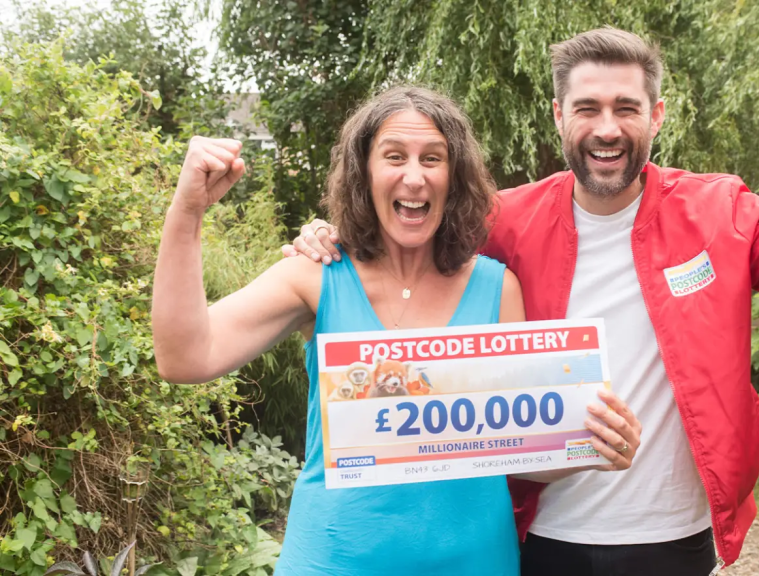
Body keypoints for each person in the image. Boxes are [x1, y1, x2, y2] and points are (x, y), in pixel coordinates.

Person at [283, 27, 759, 576]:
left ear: (656, 116)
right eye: (588, 108)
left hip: (674, 534)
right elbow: (405, 237)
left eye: (626, 108)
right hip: (541, 532)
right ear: (559, 116)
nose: (608, 128)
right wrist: (334, 239)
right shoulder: (502, 220)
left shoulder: (721, 213)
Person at [151, 86, 642, 576]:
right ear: (365, 172)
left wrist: (587, 446)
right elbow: (185, 357)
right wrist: (188, 214)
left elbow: (514, 454)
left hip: (476, 563)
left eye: (433, 158)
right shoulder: (314, 275)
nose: (414, 177)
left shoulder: (497, 288)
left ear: (455, 177)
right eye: (394, 157)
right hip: (330, 562)